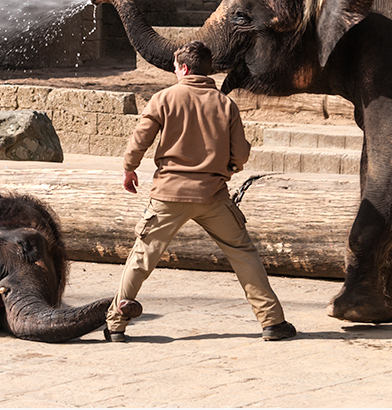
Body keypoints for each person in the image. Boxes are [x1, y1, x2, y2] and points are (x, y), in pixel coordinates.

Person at [104, 40, 296, 342]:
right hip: (213, 196)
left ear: (182, 68)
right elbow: (241, 154)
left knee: (141, 258)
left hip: (168, 195)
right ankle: (272, 322)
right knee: (244, 255)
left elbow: (140, 139)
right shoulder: (224, 103)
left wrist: (129, 168)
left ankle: (116, 324)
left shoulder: (164, 98)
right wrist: (230, 168)